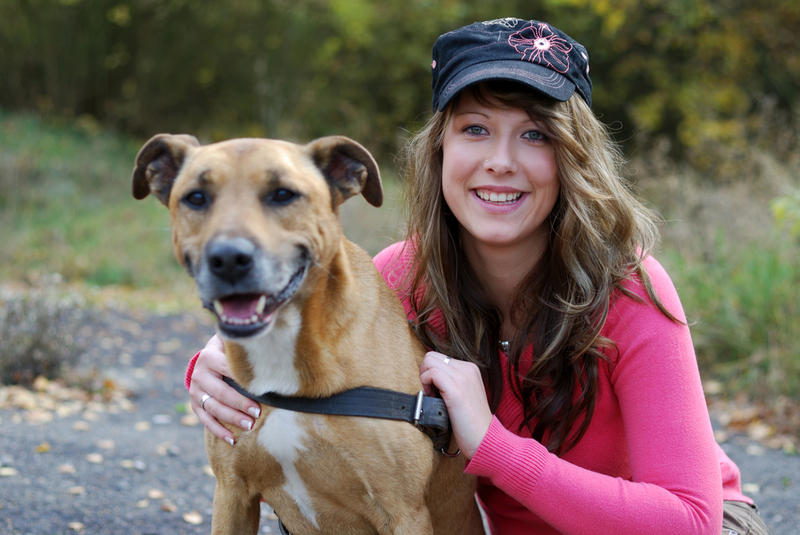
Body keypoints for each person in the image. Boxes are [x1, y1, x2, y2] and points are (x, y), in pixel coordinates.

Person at [184, 17, 769, 535]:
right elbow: (303, 319)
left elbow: (690, 520)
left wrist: (493, 445)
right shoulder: (403, 279)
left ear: (574, 157)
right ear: (440, 149)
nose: (500, 161)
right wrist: (217, 361)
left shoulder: (630, 288)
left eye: (535, 134)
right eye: (475, 129)